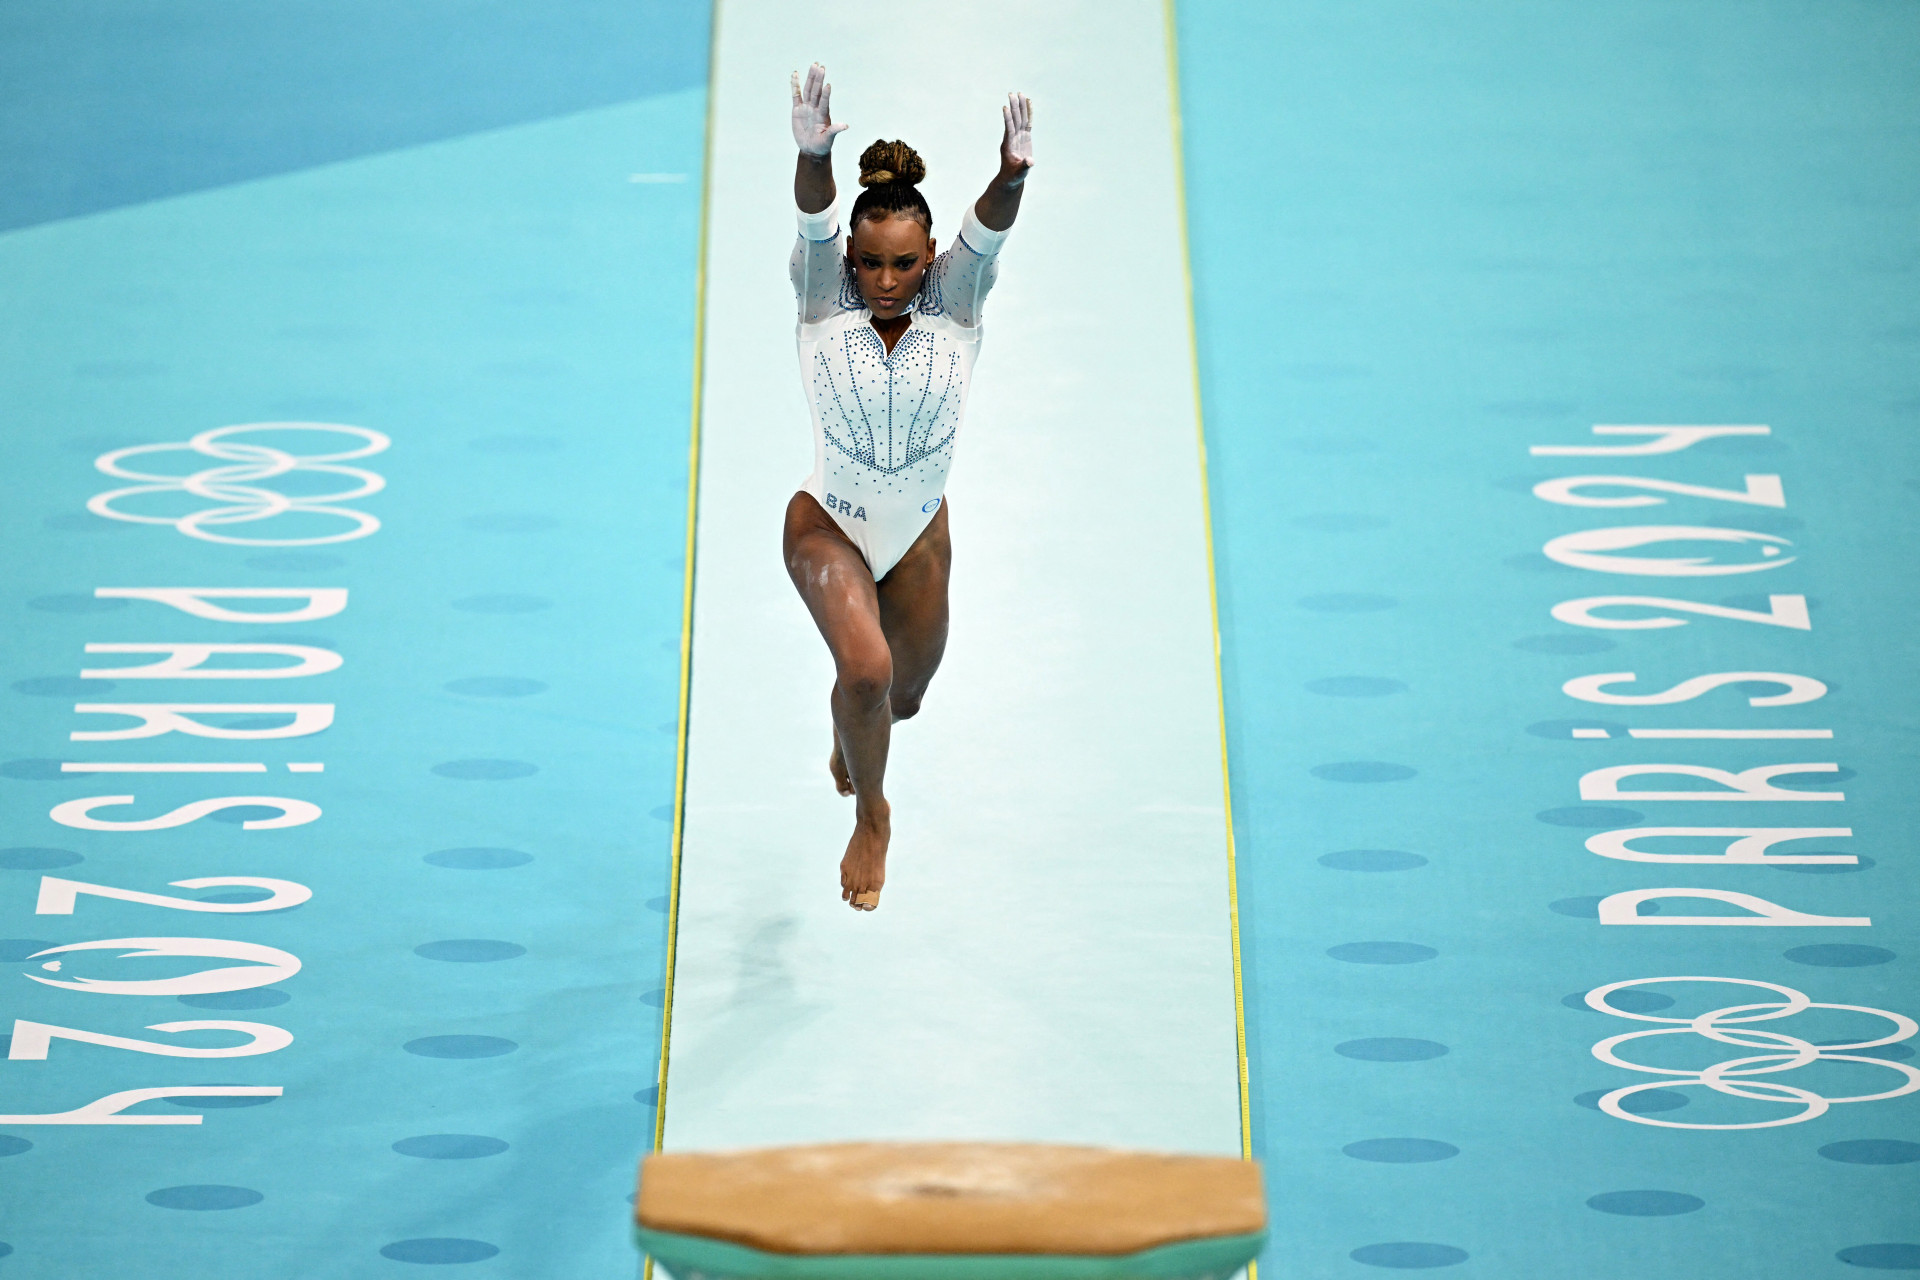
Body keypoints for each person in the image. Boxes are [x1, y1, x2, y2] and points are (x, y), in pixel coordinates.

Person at [784, 63, 1032, 911]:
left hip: (920, 537)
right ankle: (873, 819)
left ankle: (852, 745)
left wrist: (1011, 175)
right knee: (864, 674)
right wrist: (812, 156)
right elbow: (813, 216)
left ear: (929, 261)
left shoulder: (954, 307)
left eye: (903, 265)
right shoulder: (826, 298)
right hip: (829, 527)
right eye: (871, 264)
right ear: (851, 260)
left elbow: (986, 233)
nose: (886, 282)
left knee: (904, 698)